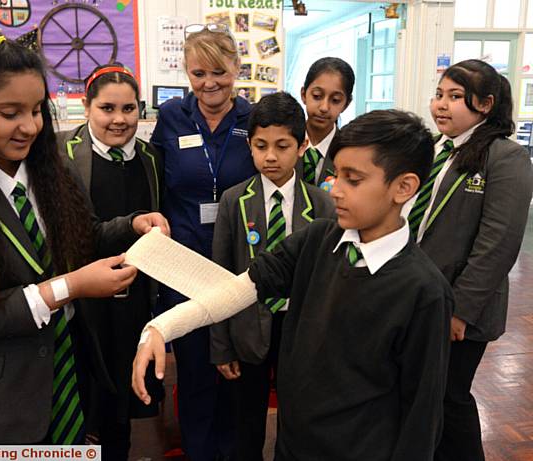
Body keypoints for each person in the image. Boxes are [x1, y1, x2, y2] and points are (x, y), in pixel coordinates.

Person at [0, 29, 168, 444]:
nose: (30, 127)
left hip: (64, 381)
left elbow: (80, 238)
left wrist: (131, 225)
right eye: (9, 113)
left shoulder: (51, 171)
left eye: (37, 110)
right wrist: (70, 287)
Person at [134, 109, 453, 461]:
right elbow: (245, 286)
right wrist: (161, 327)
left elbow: (422, 415)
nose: (336, 191)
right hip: (294, 444)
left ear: (403, 187)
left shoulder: (424, 292)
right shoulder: (317, 239)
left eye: (354, 180)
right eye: (336, 176)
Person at [411, 60, 533, 461]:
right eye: (439, 94)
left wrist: (459, 310)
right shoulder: (436, 148)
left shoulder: (505, 157)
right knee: (426, 395)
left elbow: (498, 244)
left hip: (460, 307)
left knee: (450, 396)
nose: (441, 105)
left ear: (486, 104)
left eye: (455, 97)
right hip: (421, 296)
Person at [150, 22, 256, 460]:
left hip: (238, 260)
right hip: (185, 263)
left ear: (236, 67)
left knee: (236, 366)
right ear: (186, 73)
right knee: (194, 367)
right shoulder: (173, 116)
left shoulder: (253, 119)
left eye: (219, 71)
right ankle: (199, 451)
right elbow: (157, 182)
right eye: (198, 73)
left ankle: (233, 450)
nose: (210, 83)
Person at [209, 92, 334, 460]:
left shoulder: (322, 204)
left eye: (282, 146)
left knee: (298, 416)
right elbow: (221, 274)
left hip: (302, 328)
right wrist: (221, 346)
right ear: (249, 145)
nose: (270, 156)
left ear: (302, 145)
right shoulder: (235, 201)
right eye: (260, 146)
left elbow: (329, 278)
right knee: (247, 418)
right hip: (249, 328)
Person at [56, 64, 164, 458]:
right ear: (87, 108)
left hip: (134, 296)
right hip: (82, 297)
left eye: (129, 108)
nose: (119, 119)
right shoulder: (60, 153)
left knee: (122, 395)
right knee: (86, 394)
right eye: (107, 108)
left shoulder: (152, 158)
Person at [297, 57, 355, 186]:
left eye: (335, 100)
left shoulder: (349, 152)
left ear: (346, 104)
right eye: (317, 96)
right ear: (303, 94)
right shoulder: (287, 143)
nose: (324, 107)